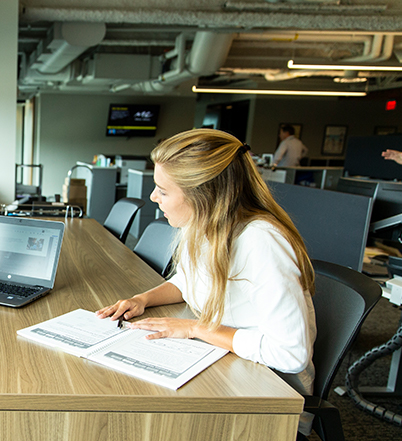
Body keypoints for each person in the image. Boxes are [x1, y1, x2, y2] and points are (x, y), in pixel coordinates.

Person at [96, 128, 316, 435]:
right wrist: (143, 299)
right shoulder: (202, 225)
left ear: (204, 195)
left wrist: (195, 328)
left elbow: (291, 354)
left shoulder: (262, 242)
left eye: (163, 190)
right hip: (225, 362)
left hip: (270, 391)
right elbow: (187, 282)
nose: (152, 196)